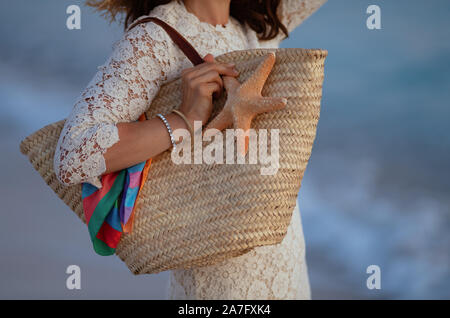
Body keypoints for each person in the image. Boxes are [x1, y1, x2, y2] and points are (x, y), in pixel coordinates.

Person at [54, 0, 327, 299]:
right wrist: (182, 119)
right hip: (219, 290)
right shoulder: (156, 38)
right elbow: (72, 154)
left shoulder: (258, 27)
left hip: (289, 273)